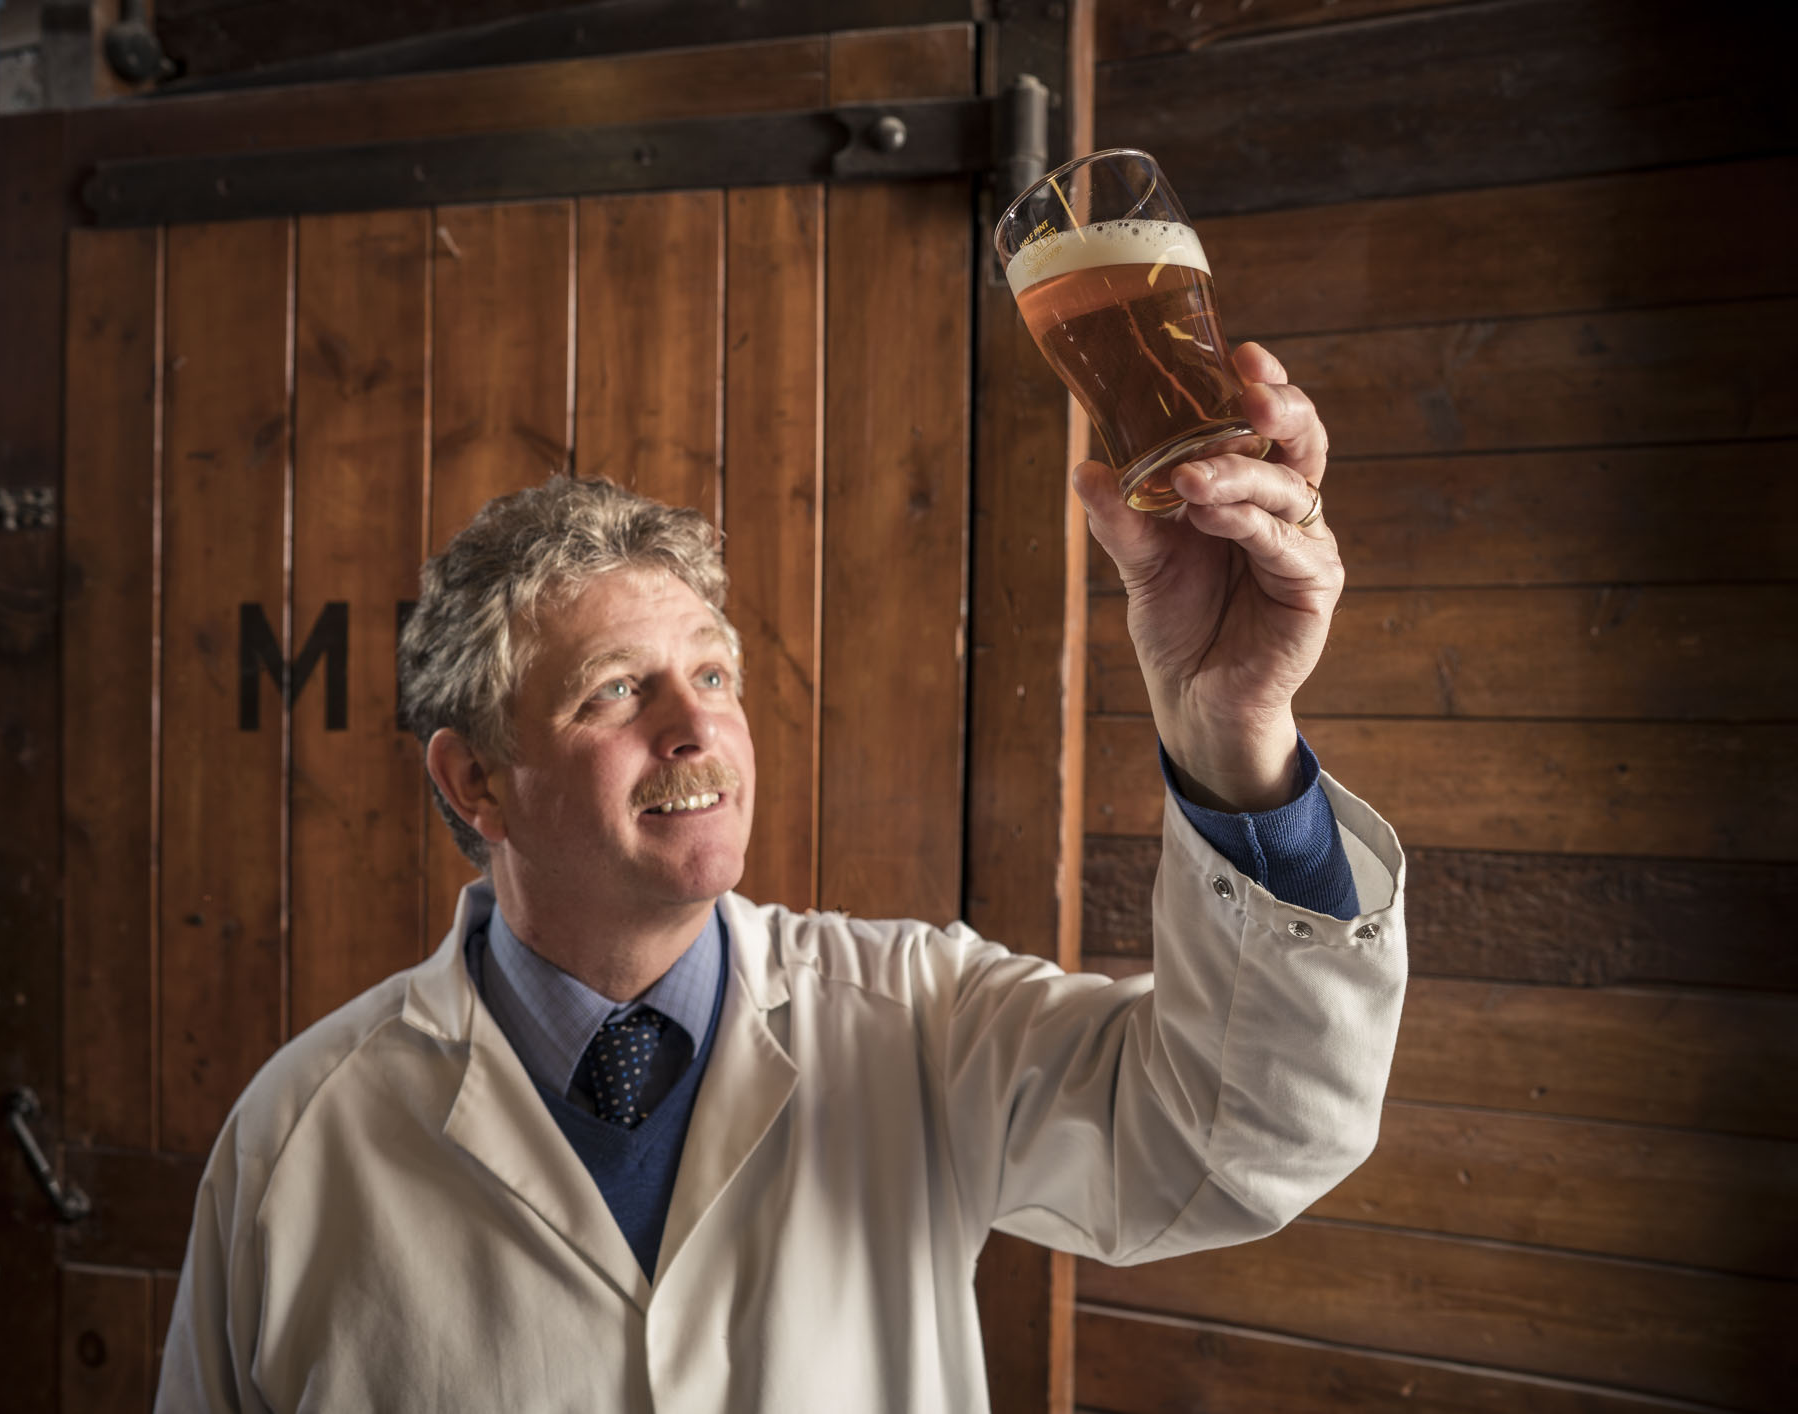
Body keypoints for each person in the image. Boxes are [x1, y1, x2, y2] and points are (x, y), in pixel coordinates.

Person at [155, 343, 1406, 1412]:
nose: (694, 730)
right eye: (614, 691)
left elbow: (1242, 1141)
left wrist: (1232, 734)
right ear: (475, 783)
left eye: (709, 675)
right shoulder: (294, 1137)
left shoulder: (918, 1023)